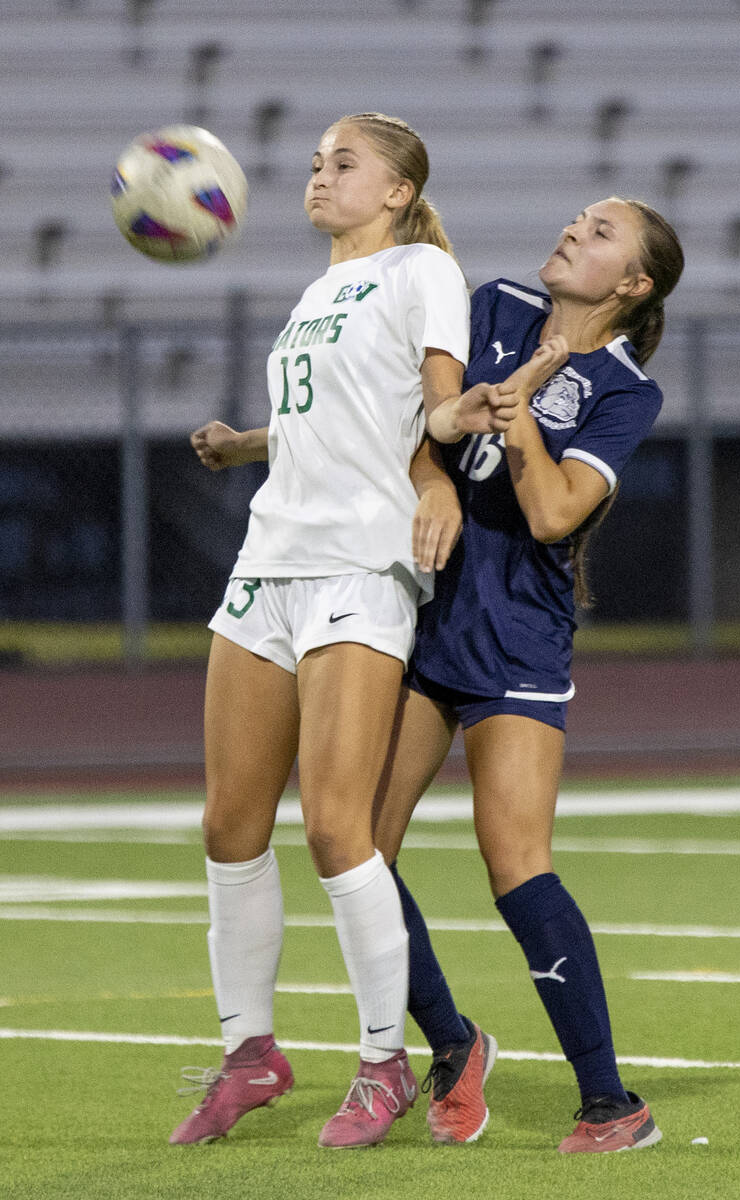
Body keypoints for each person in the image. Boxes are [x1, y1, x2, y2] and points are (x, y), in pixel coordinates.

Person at [169, 111, 565, 1151]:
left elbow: (429, 411)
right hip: (267, 564)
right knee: (227, 826)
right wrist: (250, 444)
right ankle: (250, 1053)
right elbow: (339, 422)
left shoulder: (419, 269)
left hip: (360, 567)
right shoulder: (313, 293)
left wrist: (461, 421)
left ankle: (387, 1061)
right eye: (314, 163)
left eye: (342, 164)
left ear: (395, 191)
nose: (318, 176)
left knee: (341, 831)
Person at [371, 196, 685, 1153]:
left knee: (516, 868)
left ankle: (610, 1104)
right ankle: (453, 1045)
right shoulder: (494, 303)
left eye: (597, 235)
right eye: (575, 220)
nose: (568, 233)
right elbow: (419, 425)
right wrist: (432, 480)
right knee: (355, 852)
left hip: (515, 639)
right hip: (420, 617)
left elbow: (552, 515)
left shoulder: (624, 389)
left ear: (630, 286)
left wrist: (522, 412)